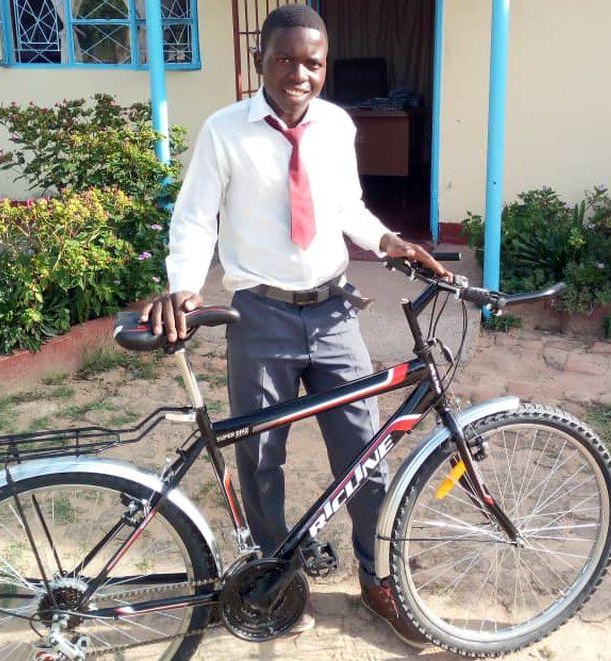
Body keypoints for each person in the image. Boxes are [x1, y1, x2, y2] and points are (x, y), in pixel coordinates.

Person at [141, 4, 448, 648]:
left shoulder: (336, 124)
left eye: (312, 62)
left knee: (364, 452)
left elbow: (343, 204)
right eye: (285, 59)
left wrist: (388, 239)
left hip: (335, 311)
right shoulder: (224, 131)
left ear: (325, 65)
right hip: (261, 315)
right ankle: (275, 581)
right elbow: (195, 219)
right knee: (261, 457)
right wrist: (184, 287)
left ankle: (376, 578)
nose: (299, 74)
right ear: (261, 59)